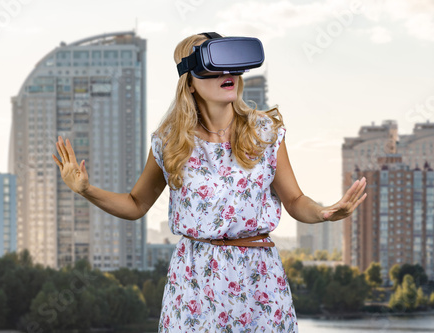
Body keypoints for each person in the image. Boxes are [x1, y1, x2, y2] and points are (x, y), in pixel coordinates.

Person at [53, 33, 367, 332]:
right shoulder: (170, 142)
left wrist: (324, 212)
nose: (226, 73)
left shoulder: (265, 133)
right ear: (189, 82)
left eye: (231, 65)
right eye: (212, 67)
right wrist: (86, 190)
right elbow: (136, 204)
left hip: (259, 278)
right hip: (195, 279)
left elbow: (296, 200)